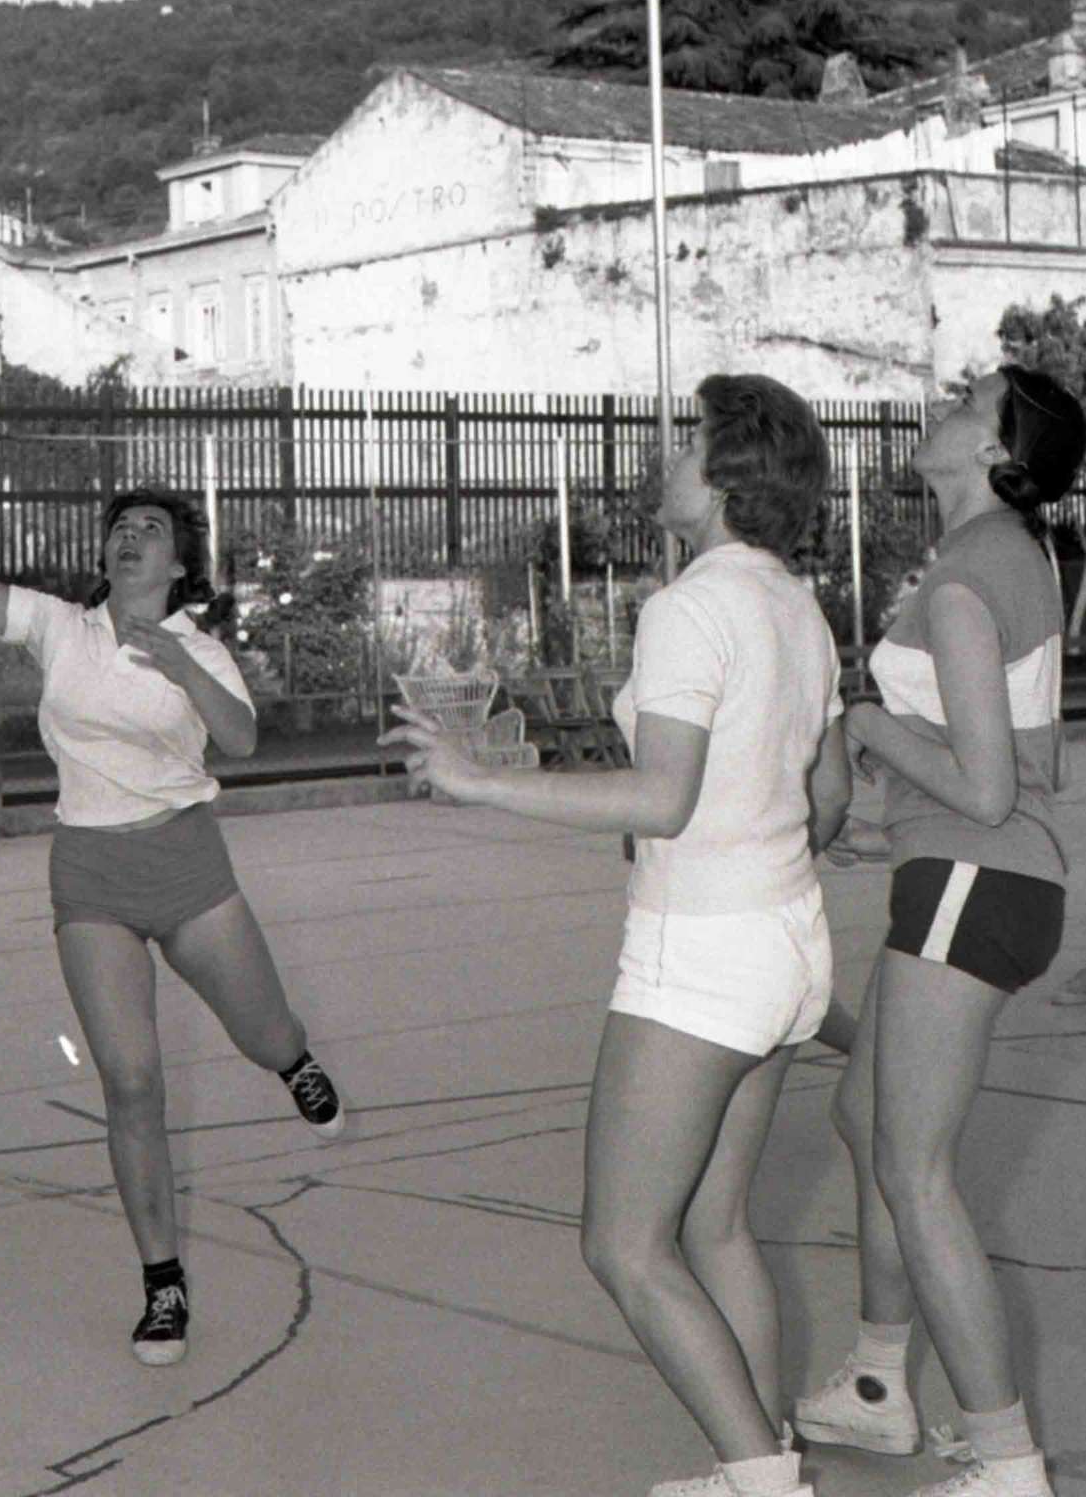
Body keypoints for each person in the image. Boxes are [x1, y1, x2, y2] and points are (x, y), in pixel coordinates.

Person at [387, 375, 850, 1497]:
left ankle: (762, 1480)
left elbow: (660, 799)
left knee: (624, 1245)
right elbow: (827, 797)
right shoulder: (796, 605)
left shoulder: (689, 607)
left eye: (686, 443)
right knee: (717, 1227)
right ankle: (762, 1456)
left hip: (701, 957)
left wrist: (478, 782)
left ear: (727, 476)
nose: (665, 459)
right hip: (787, 941)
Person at [0, 441, 346, 1368]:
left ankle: (294, 1061)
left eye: (150, 528)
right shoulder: (59, 627)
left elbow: (239, 740)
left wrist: (180, 668)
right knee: (131, 1081)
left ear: (178, 563)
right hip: (90, 876)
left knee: (265, 1032)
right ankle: (163, 1285)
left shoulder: (202, 649)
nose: (130, 535)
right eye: (120, 526)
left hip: (187, 865)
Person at [792, 366, 1083, 1497]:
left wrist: (863, 722)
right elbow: (1029, 764)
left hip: (976, 875)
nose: (941, 408)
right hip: (971, 874)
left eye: (966, 404)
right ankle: (876, 1384)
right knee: (865, 1115)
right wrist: (895, 828)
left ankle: (1004, 1461)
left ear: (993, 451)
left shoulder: (968, 576)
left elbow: (987, 788)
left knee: (914, 1171)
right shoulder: (1006, 557)